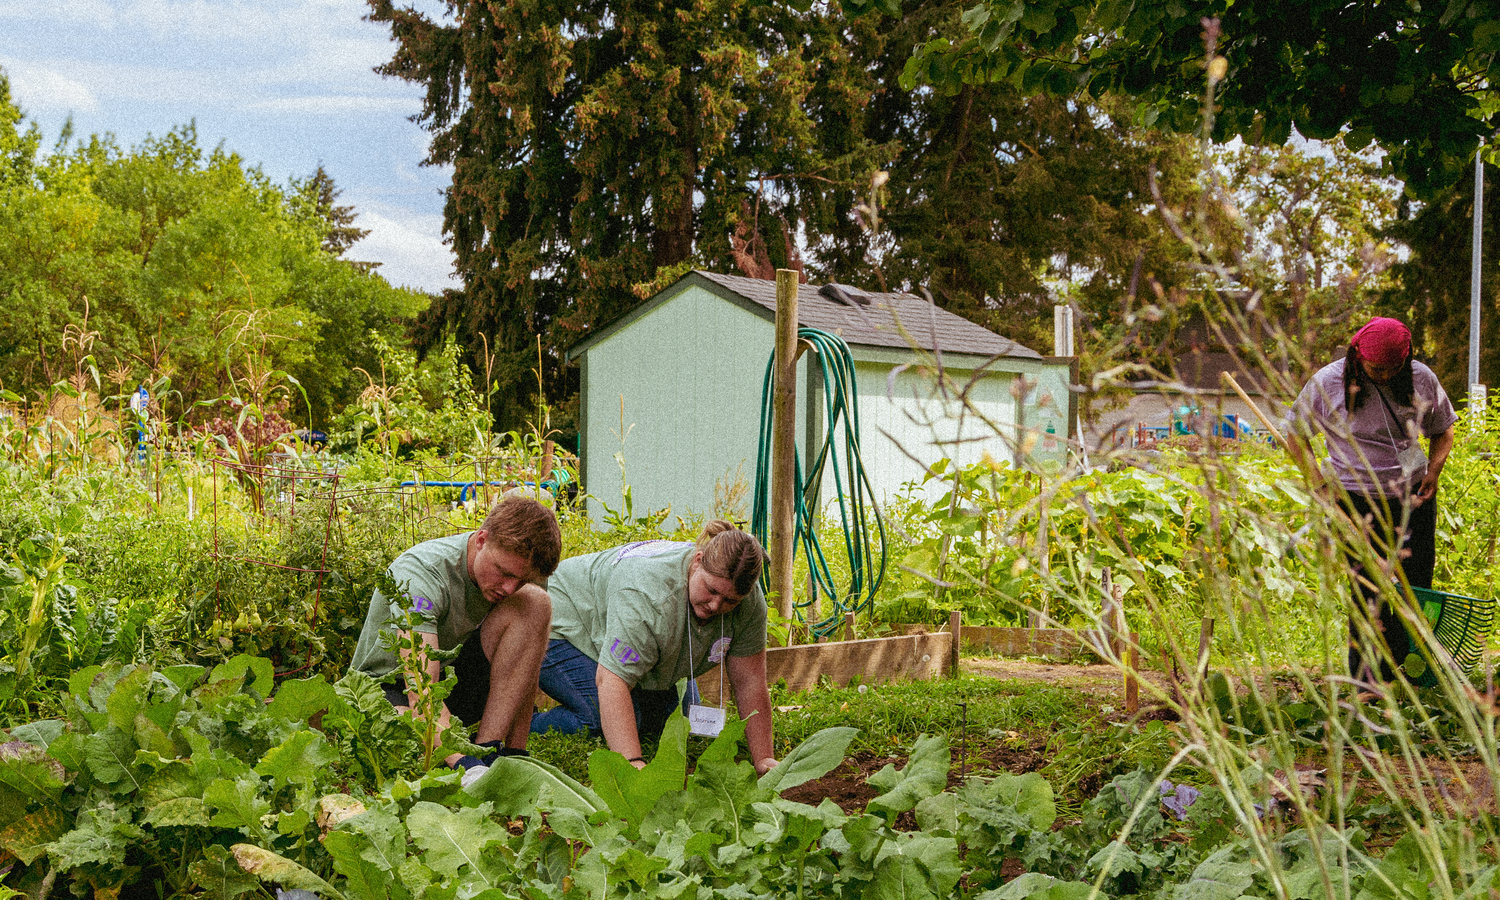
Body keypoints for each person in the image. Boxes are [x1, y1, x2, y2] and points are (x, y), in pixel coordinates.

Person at [1285, 317, 1457, 684]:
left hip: (1412, 496)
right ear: (1357, 356)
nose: (1383, 375)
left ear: (1406, 359)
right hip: (1354, 498)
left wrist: (1434, 471)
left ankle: (1407, 669)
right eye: (1375, 368)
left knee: (1415, 584)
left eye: (1392, 368)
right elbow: (1295, 435)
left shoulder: (1421, 378)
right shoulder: (1327, 382)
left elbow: (1443, 430)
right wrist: (1317, 481)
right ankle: (1367, 678)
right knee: (1368, 587)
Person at [531, 521, 779, 775]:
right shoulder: (648, 596)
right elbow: (611, 681)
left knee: (677, 718)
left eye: (729, 600)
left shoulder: (748, 601)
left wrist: (764, 759)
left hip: (613, 628)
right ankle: (529, 721)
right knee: (601, 717)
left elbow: (750, 680)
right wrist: (632, 762)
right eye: (711, 590)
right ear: (697, 560)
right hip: (559, 624)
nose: (716, 605)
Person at [348, 496, 560, 768]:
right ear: (481, 540)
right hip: (390, 688)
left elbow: (526, 667)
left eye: (522, 580)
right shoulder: (422, 573)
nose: (509, 588)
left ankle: (489, 751)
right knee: (400, 738)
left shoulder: (522, 577)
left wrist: (516, 752)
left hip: (451, 679)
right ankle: (469, 763)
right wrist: (464, 765)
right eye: (503, 573)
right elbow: (421, 687)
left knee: (535, 602)